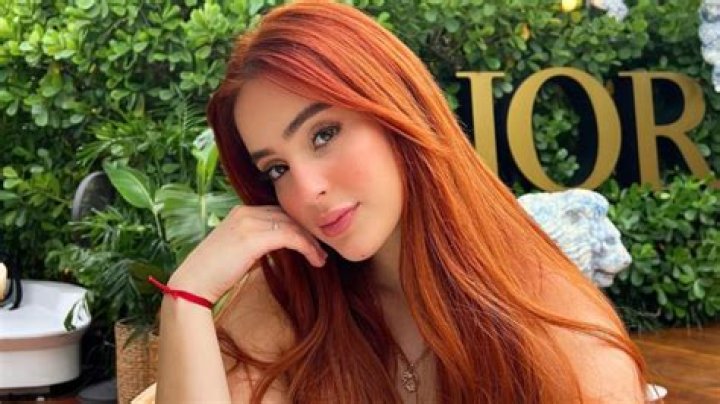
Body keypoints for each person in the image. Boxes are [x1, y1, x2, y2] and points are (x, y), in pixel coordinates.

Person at [155, 1, 648, 402]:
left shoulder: (555, 328)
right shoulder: (289, 298)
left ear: (396, 113)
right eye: (277, 169)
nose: (307, 191)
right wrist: (187, 298)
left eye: (323, 134)